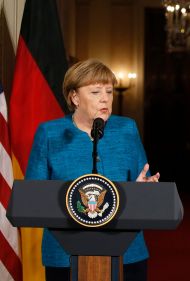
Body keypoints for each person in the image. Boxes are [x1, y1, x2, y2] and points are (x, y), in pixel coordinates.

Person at [25, 59, 160, 281]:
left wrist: (144, 189)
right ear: (74, 97)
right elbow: (33, 195)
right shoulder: (50, 133)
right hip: (64, 255)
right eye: (96, 91)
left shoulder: (127, 128)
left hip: (127, 252)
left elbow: (142, 179)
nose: (105, 98)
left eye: (109, 91)